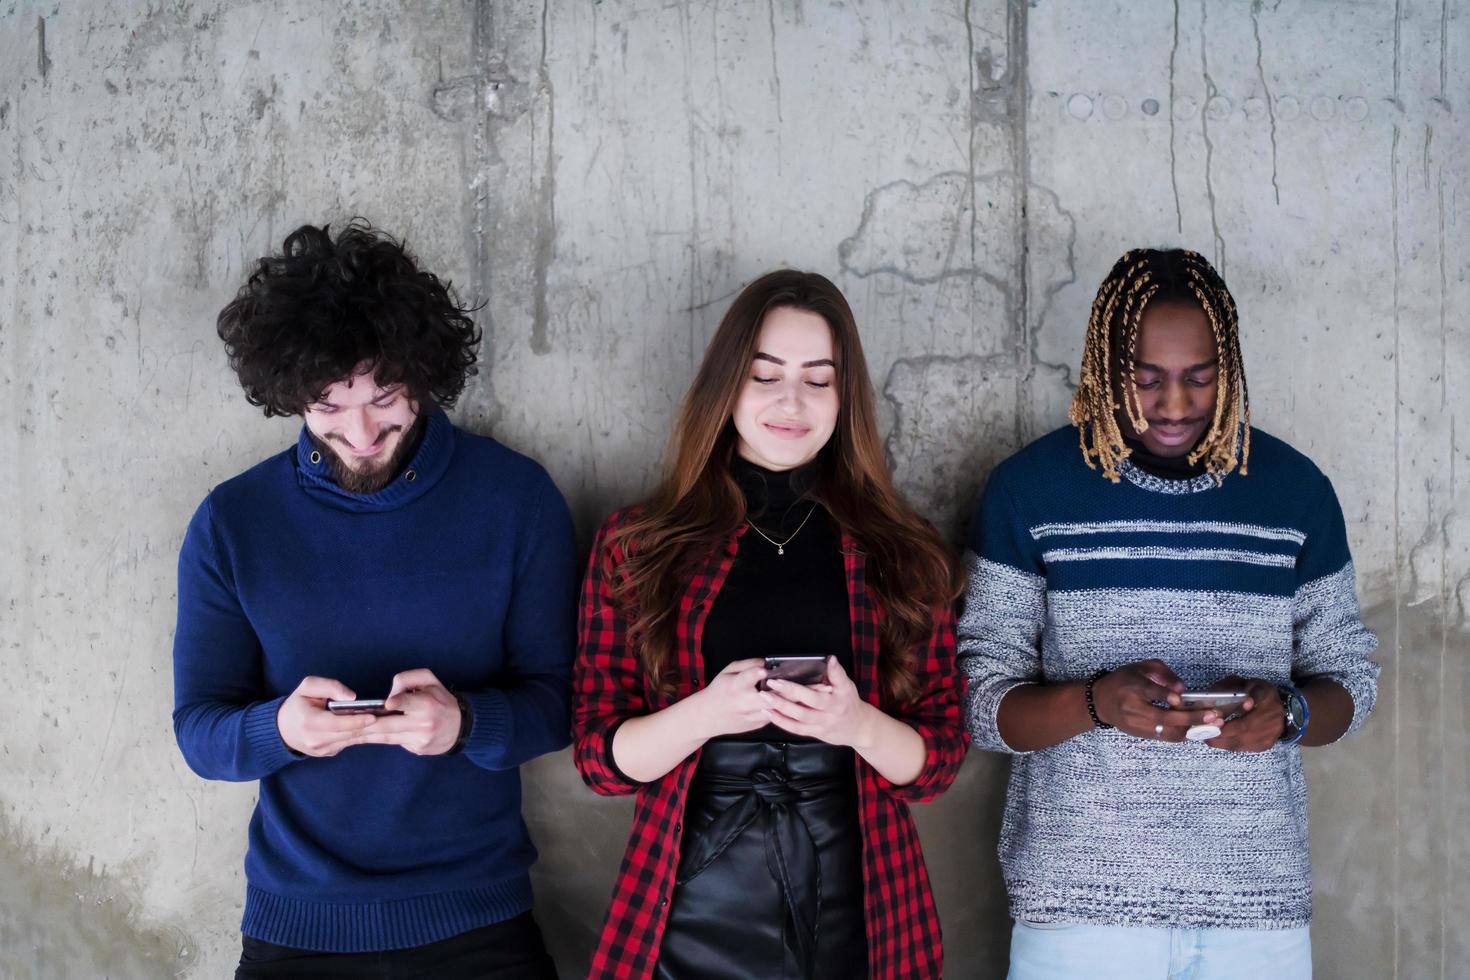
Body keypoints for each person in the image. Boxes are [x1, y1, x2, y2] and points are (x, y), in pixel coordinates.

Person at [958, 247, 1380, 979]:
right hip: (1079, 915)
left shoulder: (1292, 491)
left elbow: (1350, 678)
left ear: (1231, 370)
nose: (1175, 405)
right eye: (1146, 378)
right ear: (1101, 367)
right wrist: (1094, 702)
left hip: (1255, 911)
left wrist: (1289, 714)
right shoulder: (1029, 491)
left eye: (1200, 378)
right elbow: (982, 702)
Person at [172, 221, 576, 978]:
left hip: (478, 922)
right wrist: (280, 730)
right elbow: (199, 730)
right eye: (327, 406)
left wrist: (464, 723)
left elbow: (558, 703)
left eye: (385, 397)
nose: (359, 434)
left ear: (424, 374)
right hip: (297, 928)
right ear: (289, 393)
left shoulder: (516, 500)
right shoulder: (233, 523)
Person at [573, 270, 965, 980]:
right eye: (765, 375)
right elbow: (599, 762)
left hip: (862, 910)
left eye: (819, 380)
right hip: (685, 909)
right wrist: (703, 714)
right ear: (727, 385)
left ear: (846, 399)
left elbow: (938, 763)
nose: (792, 402)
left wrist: (855, 725)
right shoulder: (638, 542)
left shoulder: (905, 548)